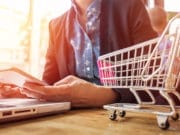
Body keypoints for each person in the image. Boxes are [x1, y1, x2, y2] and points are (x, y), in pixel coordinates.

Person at [0, 0, 157, 108]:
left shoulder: (130, 7)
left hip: (122, 117)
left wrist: (107, 95)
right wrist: (24, 92)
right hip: (72, 120)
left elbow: (154, 78)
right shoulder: (56, 25)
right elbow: (50, 84)